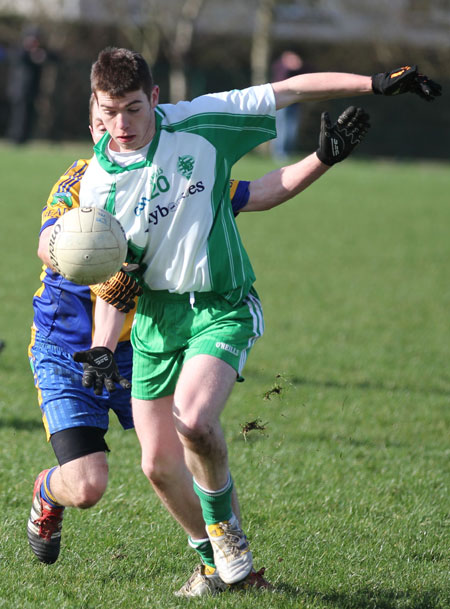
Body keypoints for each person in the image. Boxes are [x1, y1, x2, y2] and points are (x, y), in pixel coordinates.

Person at [68, 49, 440, 596]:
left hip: (221, 304)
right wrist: (103, 345)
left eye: (133, 108)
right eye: (110, 111)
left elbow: (286, 91)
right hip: (156, 319)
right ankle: (217, 566)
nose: (122, 124)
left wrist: (374, 83)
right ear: (95, 107)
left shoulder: (200, 121)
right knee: (158, 466)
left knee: (193, 420)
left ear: (154, 99)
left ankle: (229, 538)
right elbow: (121, 281)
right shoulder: (98, 184)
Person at [26, 95, 367, 582]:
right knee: (86, 487)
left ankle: (225, 565)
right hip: (69, 348)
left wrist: (322, 159)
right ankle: (46, 492)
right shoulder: (80, 184)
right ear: (91, 127)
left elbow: (257, 191)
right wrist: (80, 251)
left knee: (178, 454)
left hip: (141, 342)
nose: (114, 136)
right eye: (102, 126)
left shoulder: (168, 178)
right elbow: (46, 240)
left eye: (123, 122)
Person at [7, 25, 49, 144]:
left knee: (28, 115)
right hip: (19, 91)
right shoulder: (20, 51)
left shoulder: (39, 52)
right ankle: (16, 138)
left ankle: (25, 138)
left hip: (32, 91)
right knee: (19, 116)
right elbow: (19, 57)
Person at [271, 50, 311, 160]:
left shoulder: (300, 69)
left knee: (292, 129)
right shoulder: (280, 66)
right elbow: (283, 75)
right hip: (281, 102)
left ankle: (288, 152)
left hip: (295, 103)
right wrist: (290, 65)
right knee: (281, 128)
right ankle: (279, 153)